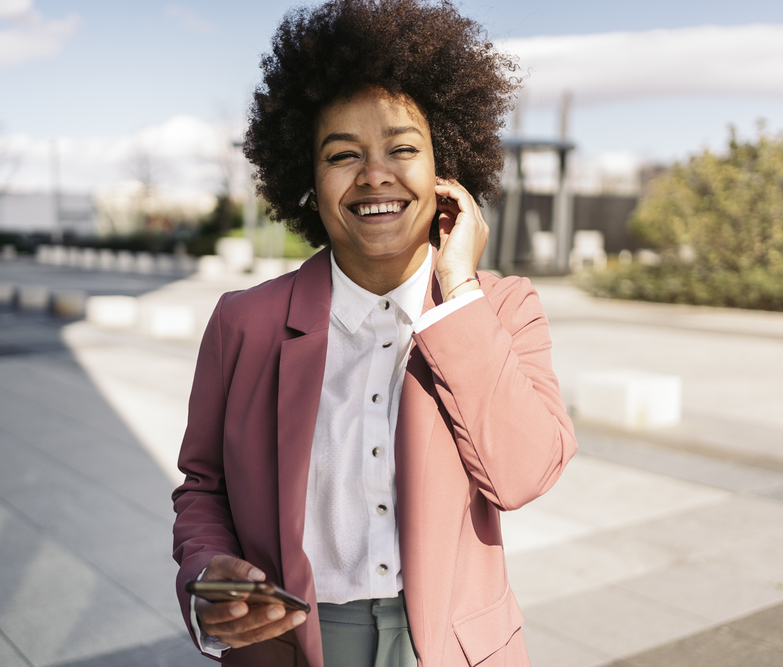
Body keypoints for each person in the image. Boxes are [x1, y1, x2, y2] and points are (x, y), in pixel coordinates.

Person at [171, 1, 577, 665]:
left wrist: (459, 293)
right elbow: (203, 486)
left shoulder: (501, 308)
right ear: (308, 178)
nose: (374, 175)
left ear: (446, 169)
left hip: (449, 647)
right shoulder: (244, 322)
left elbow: (524, 475)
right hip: (296, 645)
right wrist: (207, 571)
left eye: (402, 148)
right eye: (343, 154)